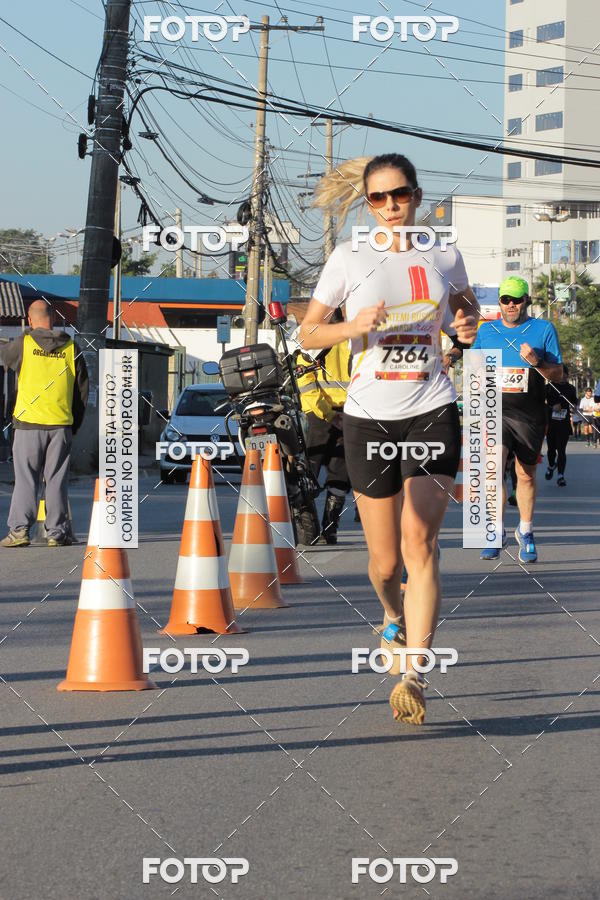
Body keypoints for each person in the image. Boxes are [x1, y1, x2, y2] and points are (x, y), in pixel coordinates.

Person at [300, 153, 478, 725]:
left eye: (399, 195)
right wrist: (352, 327)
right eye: (378, 199)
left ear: (416, 195)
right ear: (367, 204)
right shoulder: (349, 257)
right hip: (368, 416)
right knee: (383, 563)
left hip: (432, 407)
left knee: (418, 541)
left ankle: (415, 672)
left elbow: (466, 311)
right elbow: (307, 333)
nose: (391, 207)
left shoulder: (443, 254)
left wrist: (466, 327)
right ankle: (391, 616)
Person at [473, 277, 563, 563]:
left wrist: (537, 362)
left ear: (527, 300)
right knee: (493, 468)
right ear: (499, 302)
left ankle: (525, 531)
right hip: (494, 410)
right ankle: (494, 531)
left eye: (517, 299)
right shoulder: (486, 331)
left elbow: (558, 375)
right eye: (505, 300)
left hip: (530, 414)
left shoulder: (543, 329)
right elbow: (474, 369)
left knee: (525, 474)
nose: (511, 305)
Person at [0, 300, 88, 547]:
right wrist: (72, 426)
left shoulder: (23, 345)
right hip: (60, 426)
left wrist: (27, 335)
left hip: (28, 425)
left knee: (26, 479)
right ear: (54, 318)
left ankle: (19, 532)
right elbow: (82, 393)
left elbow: (4, 354)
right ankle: (57, 533)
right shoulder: (72, 348)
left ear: (30, 320)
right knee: (56, 480)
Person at [295, 307, 352, 545]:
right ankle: (330, 528)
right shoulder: (355, 338)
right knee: (340, 473)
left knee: (308, 471)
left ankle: (309, 527)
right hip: (348, 413)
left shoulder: (314, 340)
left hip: (320, 414)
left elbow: (304, 381)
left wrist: (327, 414)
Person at [545, 365, 578, 486]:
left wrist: (574, 406)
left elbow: (574, 401)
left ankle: (560, 475)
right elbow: (540, 405)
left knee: (561, 450)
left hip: (563, 424)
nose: (562, 376)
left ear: (567, 375)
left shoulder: (571, 389)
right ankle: (551, 465)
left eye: (565, 373)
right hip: (551, 424)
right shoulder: (548, 387)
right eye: (560, 373)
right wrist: (551, 408)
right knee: (551, 450)